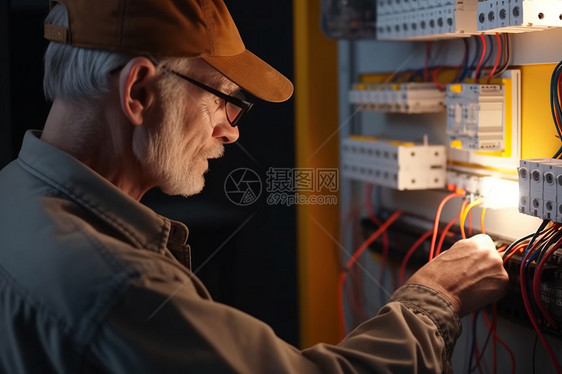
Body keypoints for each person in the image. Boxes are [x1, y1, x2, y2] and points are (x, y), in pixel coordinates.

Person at [0, 0, 508, 373]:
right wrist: (435, 296)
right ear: (139, 91)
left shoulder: (14, 195)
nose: (231, 129)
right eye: (223, 98)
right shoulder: (119, 286)